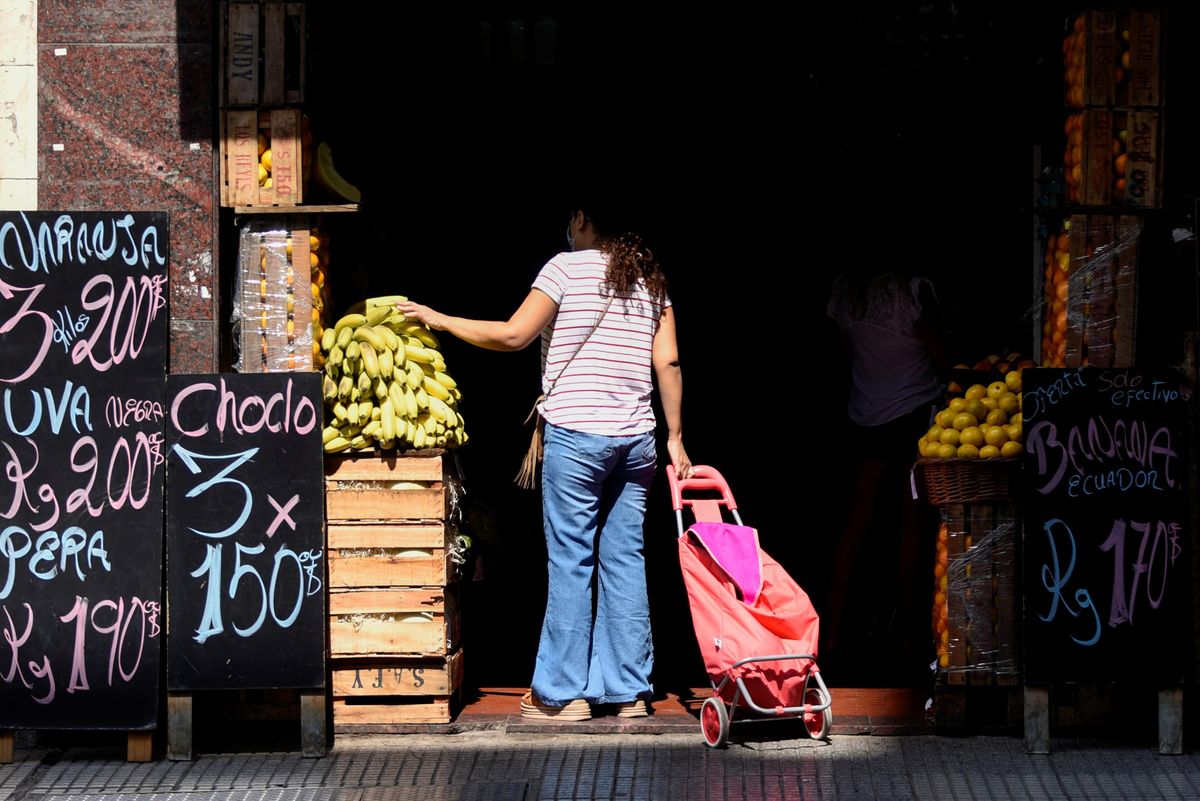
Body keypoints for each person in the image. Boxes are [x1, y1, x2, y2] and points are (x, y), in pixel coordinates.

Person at [395, 200, 694, 721]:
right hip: (637, 440)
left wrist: (438, 318)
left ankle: (562, 694)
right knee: (624, 558)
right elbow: (667, 360)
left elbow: (513, 335)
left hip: (577, 435)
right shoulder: (652, 278)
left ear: (581, 218)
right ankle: (627, 692)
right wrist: (675, 436)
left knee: (572, 559)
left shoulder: (563, 267)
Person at [823, 264, 948, 683]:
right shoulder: (913, 291)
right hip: (915, 418)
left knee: (854, 530)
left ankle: (833, 638)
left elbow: (844, 356)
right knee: (913, 531)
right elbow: (942, 354)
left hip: (865, 420)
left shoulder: (845, 291)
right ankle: (912, 639)